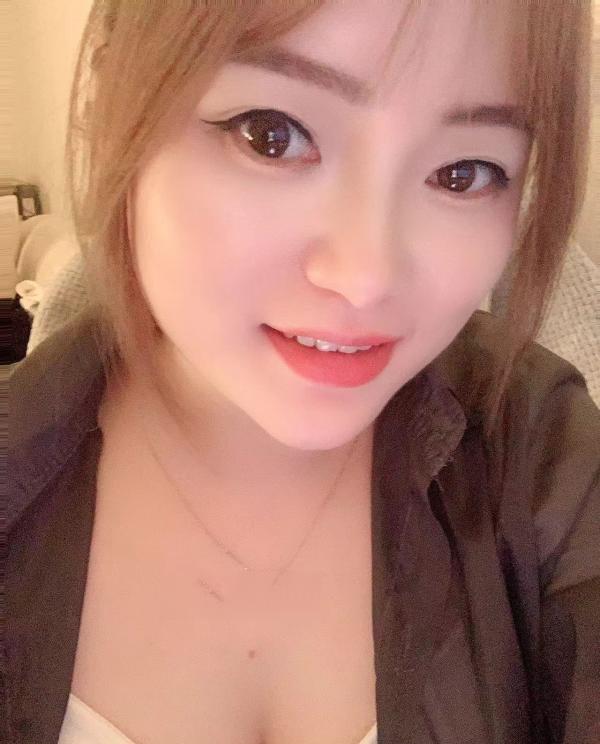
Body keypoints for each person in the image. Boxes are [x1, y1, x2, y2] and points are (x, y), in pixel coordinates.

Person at [5, 1, 599, 743]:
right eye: (272, 135)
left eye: (462, 173)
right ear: (109, 104)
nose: (365, 278)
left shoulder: (545, 457)